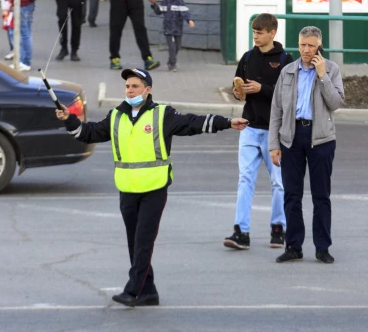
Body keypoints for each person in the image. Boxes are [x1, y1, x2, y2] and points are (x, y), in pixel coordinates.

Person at [55, 68, 249, 307]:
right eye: (127, 86)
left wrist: (227, 122)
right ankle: (148, 292)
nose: (130, 90)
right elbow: (88, 133)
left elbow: (192, 123)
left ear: (147, 90)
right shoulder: (116, 115)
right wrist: (70, 120)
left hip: (154, 189)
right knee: (134, 243)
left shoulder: (162, 114)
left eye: (135, 86)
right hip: (127, 189)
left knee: (143, 241)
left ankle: (133, 289)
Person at [269, 26, 345, 264]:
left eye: (311, 45)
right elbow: (276, 111)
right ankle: (293, 246)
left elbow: (336, 102)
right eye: (302, 44)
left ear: (319, 46)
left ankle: (322, 247)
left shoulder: (331, 69)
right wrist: (274, 144)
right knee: (292, 194)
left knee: (321, 195)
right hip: (291, 138)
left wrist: (322, 75)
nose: (306, 50)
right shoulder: (288, 71)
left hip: (320, 139)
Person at [222, 13, 292, 252]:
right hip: (250, 127)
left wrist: (263, 88)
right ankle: (241, 231)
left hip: (276, 131)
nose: (256, 36)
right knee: (245, 179)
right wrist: (238, 92)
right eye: (254, 32)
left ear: (272, 33)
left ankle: (278, 228)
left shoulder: (285, 60)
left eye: (260, 32)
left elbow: (288, 96)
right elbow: (237, 86)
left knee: (279, 183)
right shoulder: (248, 57)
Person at [150, 0, 194, 72]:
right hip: (168, 28)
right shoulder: (164, 2)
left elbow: (185, 12)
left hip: (178, 28)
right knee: (172, 47)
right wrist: (154, 4)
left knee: (177, 46)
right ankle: (173, 64)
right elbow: (158, 11)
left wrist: (189, 20)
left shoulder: (180, 2)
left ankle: (170, 62)